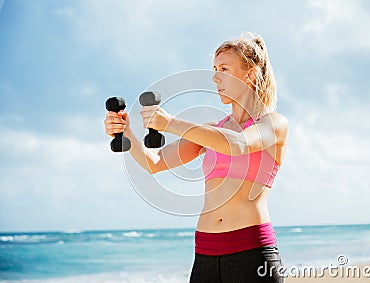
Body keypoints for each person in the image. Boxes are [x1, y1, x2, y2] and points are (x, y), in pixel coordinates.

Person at [104, 32, 288, 282]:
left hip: (251, 252)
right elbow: (154, 162)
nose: (215, 77)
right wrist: (127, 131)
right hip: (205, 253)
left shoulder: (273, 124)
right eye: (214, 69)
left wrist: (170, 123)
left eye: (224, 68)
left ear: (251, 73)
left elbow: (238, 145)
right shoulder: (213, 129)